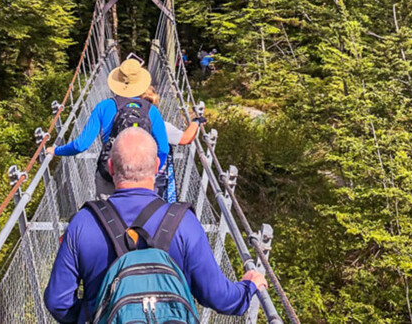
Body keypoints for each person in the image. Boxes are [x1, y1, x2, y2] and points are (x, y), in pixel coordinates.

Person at [44, 128, 267, 324]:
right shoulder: (184, 223)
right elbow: (220, 298)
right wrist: (249, 287)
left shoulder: (83, 223)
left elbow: (58, 301)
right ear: (158, 167)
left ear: (110, 167)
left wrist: (91, 314)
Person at [47, 58, 169, 197]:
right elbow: (163, 149)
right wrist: (153, 171)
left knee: (106, 217)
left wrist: (56, 151)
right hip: (142, 177)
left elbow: (81, 145)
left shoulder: (103, 106)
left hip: (110, 174)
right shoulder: (151, 110)